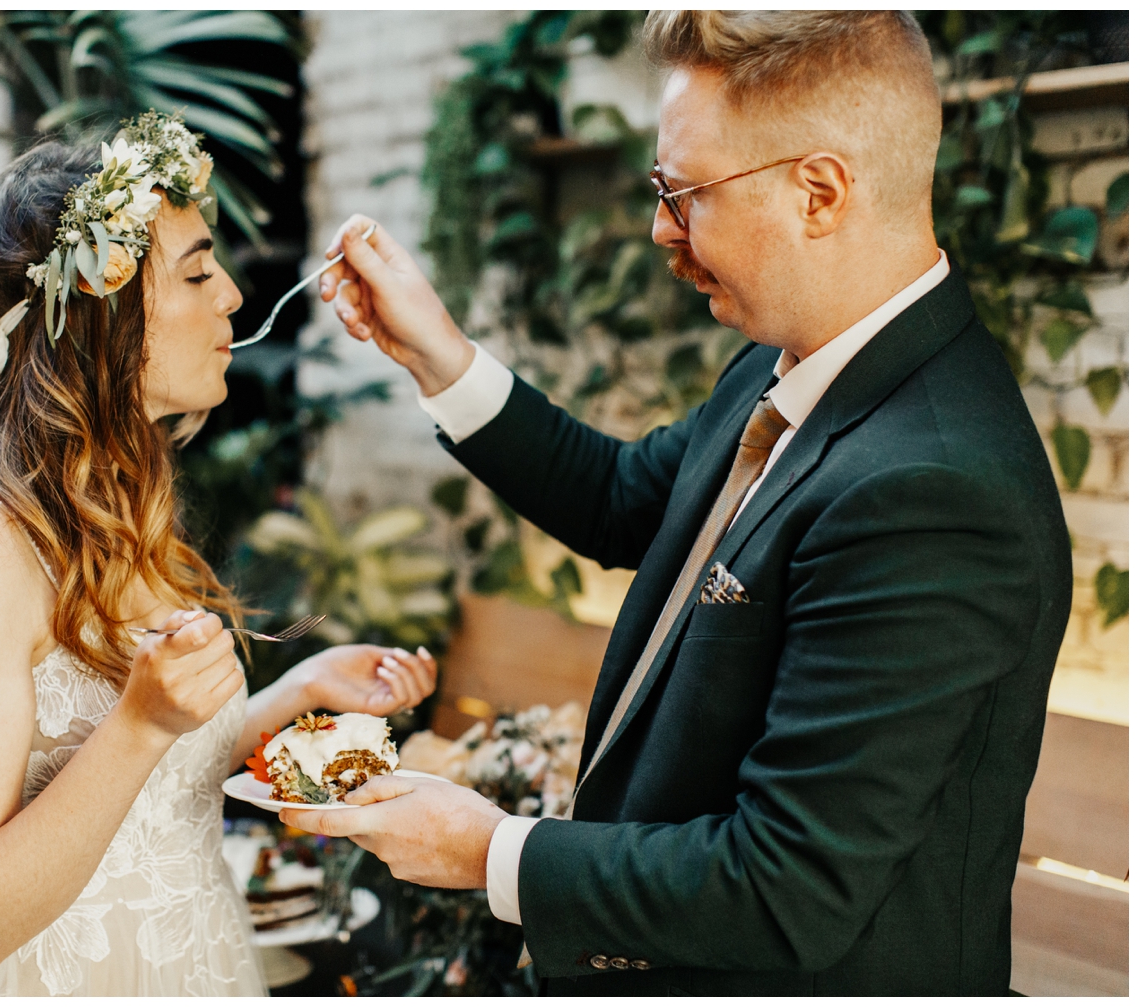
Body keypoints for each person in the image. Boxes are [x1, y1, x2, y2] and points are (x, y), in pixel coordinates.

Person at [282, 12, 1070, 996]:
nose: (661, 227)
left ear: (819, 192)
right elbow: (621, 500)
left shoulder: (933, 492)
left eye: (684, 192)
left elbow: (787, 886)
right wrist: (435, 353)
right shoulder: (783, 367)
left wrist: (491, 849)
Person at [0, 113, 438, 996]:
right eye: (198, 272)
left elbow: (145, 791)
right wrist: (141, 720)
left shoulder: (109, 506)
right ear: (99, 316)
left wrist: (299, 691)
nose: (233, 296)